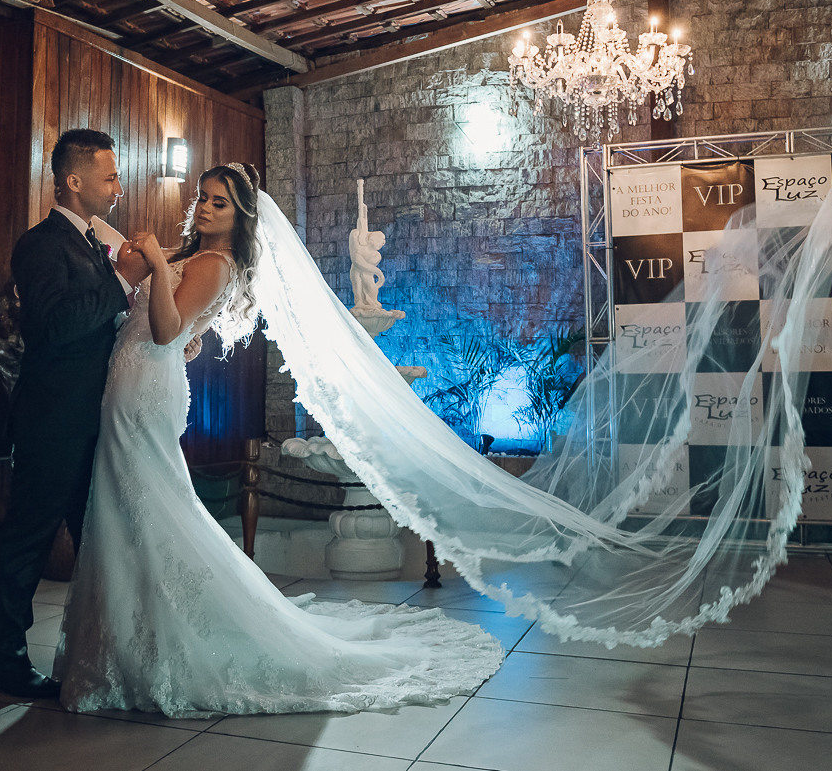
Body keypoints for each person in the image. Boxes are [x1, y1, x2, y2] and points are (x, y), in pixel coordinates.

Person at [55, 163, 503, 717]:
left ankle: (162, 637)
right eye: (203, 197)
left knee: (148, 507)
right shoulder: (194, 256)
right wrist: (156, 280)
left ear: (241, 216)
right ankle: (124, 639)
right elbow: (176, 326)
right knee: (130, 508)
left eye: (220, 202)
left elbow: (168, 331)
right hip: (133, 380)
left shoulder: (216, 263)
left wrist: (155, 267)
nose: (205, 207)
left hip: (144, 389)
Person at [0, 129, 152, 698]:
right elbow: (54, 326)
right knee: (27, 538)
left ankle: (102, 654)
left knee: (97, 538)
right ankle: (3, 660)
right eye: (110, 177)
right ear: (74, 181)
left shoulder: (93, 241)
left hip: (93, 419)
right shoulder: (41, 245)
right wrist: (123, 281)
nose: (118, 188)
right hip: (53, 419)